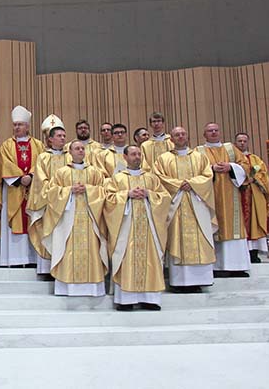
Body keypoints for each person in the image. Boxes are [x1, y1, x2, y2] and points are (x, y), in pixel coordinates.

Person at [104, 145, 171, 311]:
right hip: (126, 228)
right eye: (133, 154)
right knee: (127, 258)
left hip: (149, 226)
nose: (137, 157)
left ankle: (150, 299)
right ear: (125, 157)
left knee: (150, 258)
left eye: (139, 154)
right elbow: (109, 199)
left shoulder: (151, 178)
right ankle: (126, 300)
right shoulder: (118, 178)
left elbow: (165, 197)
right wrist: (126, 195)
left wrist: (149, 194)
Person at [153, 127, 216, 293]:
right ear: (171, 139)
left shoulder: (199, 157)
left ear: (187, 136)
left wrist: (193, 184)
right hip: (176, 204)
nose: (180, 137)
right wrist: (180, 184)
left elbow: (208, 175)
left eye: (183, 134)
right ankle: (179, 281)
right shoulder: (163, 159)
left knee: (200, 237)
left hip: (196, 202)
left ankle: (200, 280)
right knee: (176, 239)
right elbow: (159, 178)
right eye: (176, 135)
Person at [42, 140, 108, 296]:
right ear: (69, 152)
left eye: (82, 148)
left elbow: (104, 191)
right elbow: (51, 193)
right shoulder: (61, 172)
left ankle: (93, 289)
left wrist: (88, 190)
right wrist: (69, 190)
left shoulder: (94, 172)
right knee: (67, 249)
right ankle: (67, 288)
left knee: (92, 250)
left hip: (90, 218)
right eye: (76, 148)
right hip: (67, 220)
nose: (80, 151)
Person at [0, 105, 46, 266]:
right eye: (15, 125)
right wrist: (20, 179)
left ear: (27, 126)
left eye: (20, 125)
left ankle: (31, 259)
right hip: (13, 189)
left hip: (33, 189)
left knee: (32, 220)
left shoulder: (38, 145)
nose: (17, 127)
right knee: (16, 220)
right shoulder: (6, 145)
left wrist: (30, 175)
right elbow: (4, 163)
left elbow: (41, 162)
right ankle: (14, 259)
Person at [197, 123, 251, 277]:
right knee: (213, 227)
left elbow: (246, 165)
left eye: (216, 130)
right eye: (210, 131)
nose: (213, 133)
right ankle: (217, 267)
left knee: (233, 228)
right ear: (204, 134)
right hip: (209, 197)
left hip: (230, 195)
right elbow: (194, 170)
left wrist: (231, 167)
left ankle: (237, 266)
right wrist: (211, 169)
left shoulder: (230, 148)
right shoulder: (199, 151)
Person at [27, 115, 69, 276]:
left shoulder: (70, 156)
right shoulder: (43, 157)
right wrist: (56, 192)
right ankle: (46, 269)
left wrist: (65, 194)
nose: (63, 139)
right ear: (50, 140)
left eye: (64, 136)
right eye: (59, 136)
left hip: (66, 204)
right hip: (49, 204)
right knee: (48, 233)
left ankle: (63, 268)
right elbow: (40, 181)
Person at [235, 132, 269, 263]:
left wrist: (254, 178)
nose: (242, 143)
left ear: (248, 142)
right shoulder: (232, 159)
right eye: (239, 141)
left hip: (254, 195)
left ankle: (254, 253)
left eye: (244, 141)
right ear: (235, 142)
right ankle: (239, 254)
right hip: (238, 194)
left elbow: (263, 174)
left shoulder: (255, 159)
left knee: (254, 222)